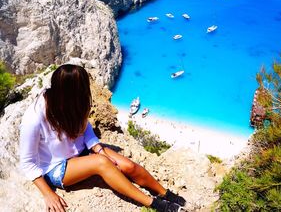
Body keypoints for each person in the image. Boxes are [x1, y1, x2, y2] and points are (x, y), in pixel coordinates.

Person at [19, 64, 186, 212]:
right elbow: (27, 163)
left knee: (127, 166)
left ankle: (164, 193)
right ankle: (155, 204)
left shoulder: (74, 102)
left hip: (80, 151)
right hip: (55, 167)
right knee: (102, 163)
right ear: (67, 94)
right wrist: (47, 193)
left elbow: (86, 128)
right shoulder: (34, 117)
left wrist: (98, 148)